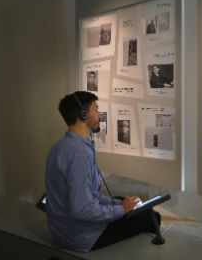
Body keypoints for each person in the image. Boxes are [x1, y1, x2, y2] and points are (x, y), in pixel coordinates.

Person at [45, 91, 160, 252]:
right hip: (82, 237)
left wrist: (119, 205)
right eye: (96, 108)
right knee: (152, 217)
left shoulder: (59, 147)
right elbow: (82, 209)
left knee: (123, 201)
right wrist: (121, 210)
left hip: (62, 232)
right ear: (83, 114)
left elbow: (87, 197)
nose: (99, 113)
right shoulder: (80, 154)